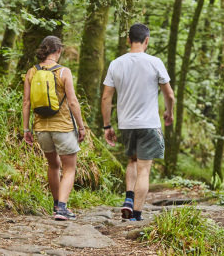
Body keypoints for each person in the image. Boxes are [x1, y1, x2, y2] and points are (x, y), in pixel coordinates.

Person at [101, 23, 175, 221]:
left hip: (126, 125)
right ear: (147, 40)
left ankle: (128, 198)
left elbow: (106, 98)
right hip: (149, 124)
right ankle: (136, 215)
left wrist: (107, 126)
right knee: (144, 169)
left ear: (128, 39)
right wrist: (169, 112)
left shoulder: (116, 63)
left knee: (132, 161)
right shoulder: (155, 62)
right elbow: (169, 94)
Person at [22, 36, 86, 221]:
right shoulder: (64, 72)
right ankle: (63, 209)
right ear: (58, 51)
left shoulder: (31, 72)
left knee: (53, 165)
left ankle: (56, 205)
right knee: (69, 168)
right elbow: (73, 102)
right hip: (63, 128)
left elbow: (26, 102)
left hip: (41, 128)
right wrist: (81, 127)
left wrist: (27, 129)